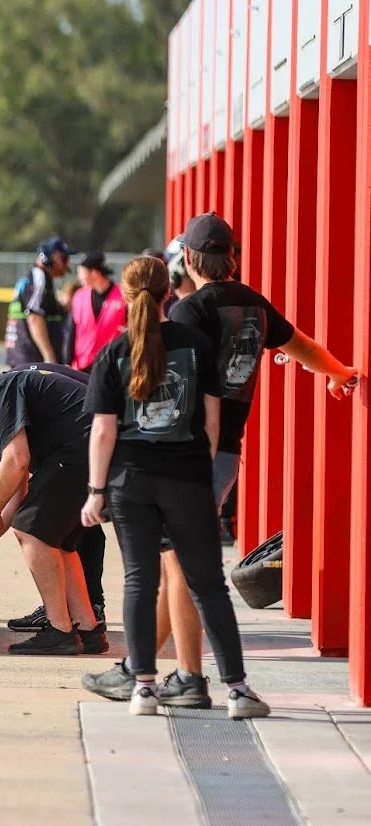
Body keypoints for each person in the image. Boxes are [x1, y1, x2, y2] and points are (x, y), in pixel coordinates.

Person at [83, 213, 358, 709]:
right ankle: (136, 669)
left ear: (187, 258)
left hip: (185, 457)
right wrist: (340, 373)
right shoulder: (253, 305)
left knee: (179, 570)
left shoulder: (189, 314)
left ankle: (186, 676)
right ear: (234, 256)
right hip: (227, 452)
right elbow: (301, 347)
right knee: (177, 567)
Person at [78, 255, 270, 719]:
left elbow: (103, 431)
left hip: (130, 482)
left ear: (125, 297)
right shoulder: (198, 346)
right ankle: (239, 691)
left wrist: (96, 491)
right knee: (208, 585)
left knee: (140, 582)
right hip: (186, 479)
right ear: (170, 292)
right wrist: (197, 472)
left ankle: (142, 688)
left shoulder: (114, 353)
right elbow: (211, 420)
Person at [0, 369, 106, 656]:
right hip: (91, 448)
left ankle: (61, 630)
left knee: (33, 530)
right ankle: (88, 629)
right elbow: (16, 497)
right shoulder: (7, 415)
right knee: (58, 543)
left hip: (84, 446)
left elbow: (16, 462)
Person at [5, 237, 71, 367]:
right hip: (31, 359)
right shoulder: (39, 277)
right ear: (54, 257)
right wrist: (49, 356)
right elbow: (34, 316)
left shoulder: (35, 278)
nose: (67, 264)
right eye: (64, 258)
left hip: (23, 356)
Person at [67, 251, 127, 373]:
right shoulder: (79, 296)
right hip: (82, 366)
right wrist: (67, 362)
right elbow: (71, 331)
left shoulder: (123, 296)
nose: (78, 277)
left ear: (94, 272)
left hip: (112, 367)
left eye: (81, 272)